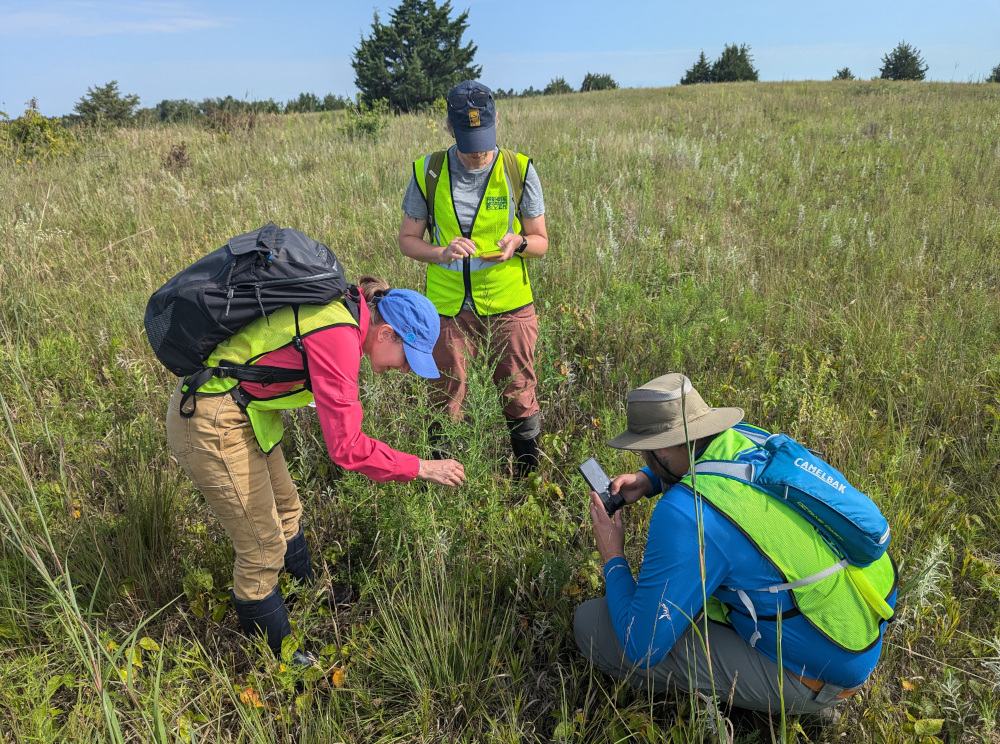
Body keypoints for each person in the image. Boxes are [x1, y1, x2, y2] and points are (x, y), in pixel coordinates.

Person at [165, 274, 466, 664]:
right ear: (386, 333)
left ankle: (305, 599)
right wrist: (421, 467)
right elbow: (347, 448)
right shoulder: (339, 337)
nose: (406, 371)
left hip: (246, 411)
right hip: (211, 418)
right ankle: (281, 662)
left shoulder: (346, 312)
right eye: (408, 359)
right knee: (261, 548)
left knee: (288, 510)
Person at [575, 373, 897, 717]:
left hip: (819, 674)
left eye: (647, 453)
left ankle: (809, 704)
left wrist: (613, 555)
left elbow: (642, 645)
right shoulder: (749, 437)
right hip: (857, 624)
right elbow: (717, 471)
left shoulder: (687, 514)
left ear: (663, 447)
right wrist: (649, 478)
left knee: (592, 625)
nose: (645, 457)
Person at [398, 80, 549, 477]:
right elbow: (408, 241)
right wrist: (440, 252)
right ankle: (443, 486)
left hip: (508, 306)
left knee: (518, 394)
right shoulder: (427, 171)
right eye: (468, 141)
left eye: (483, 139)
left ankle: (526, 482)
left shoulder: (518, 168)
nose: (477, 152)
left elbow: (541, 241)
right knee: (444, 399)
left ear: (497, 119)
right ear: (449, 128)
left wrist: (517, 242)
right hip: (446, 310)